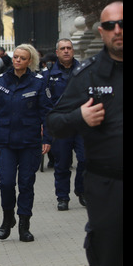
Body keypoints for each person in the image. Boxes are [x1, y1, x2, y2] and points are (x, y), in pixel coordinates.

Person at [47, 2, 122, 266]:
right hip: (107, 187)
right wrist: (80, 117)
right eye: (110, 26)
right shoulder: (89, 76)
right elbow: (54, 122)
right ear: (101, 32)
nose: (118, 30)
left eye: (122, 24)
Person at [0, 43, 53, 242]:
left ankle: (24, 225)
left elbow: (46, 113)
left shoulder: (38, 82)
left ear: (30, 61)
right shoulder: (0, 81)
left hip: (30, 142)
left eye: (22, 58)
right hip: (5, 141)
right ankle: (8, 217)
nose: (18, 60)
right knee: (6, 182)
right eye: (16, 56)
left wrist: (47, 139)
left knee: (26, 183)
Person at [46, 39, 84, 211]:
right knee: (62, 163)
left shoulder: (84, 71)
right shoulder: (49, 75)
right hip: (61, 125)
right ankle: (62, 197)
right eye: (63, 49)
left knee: (85, 159)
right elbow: (46, 103)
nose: (66, 51)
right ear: (57, 52)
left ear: (73, 51)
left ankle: (81, 190)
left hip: (82, 123)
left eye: (69, 48)